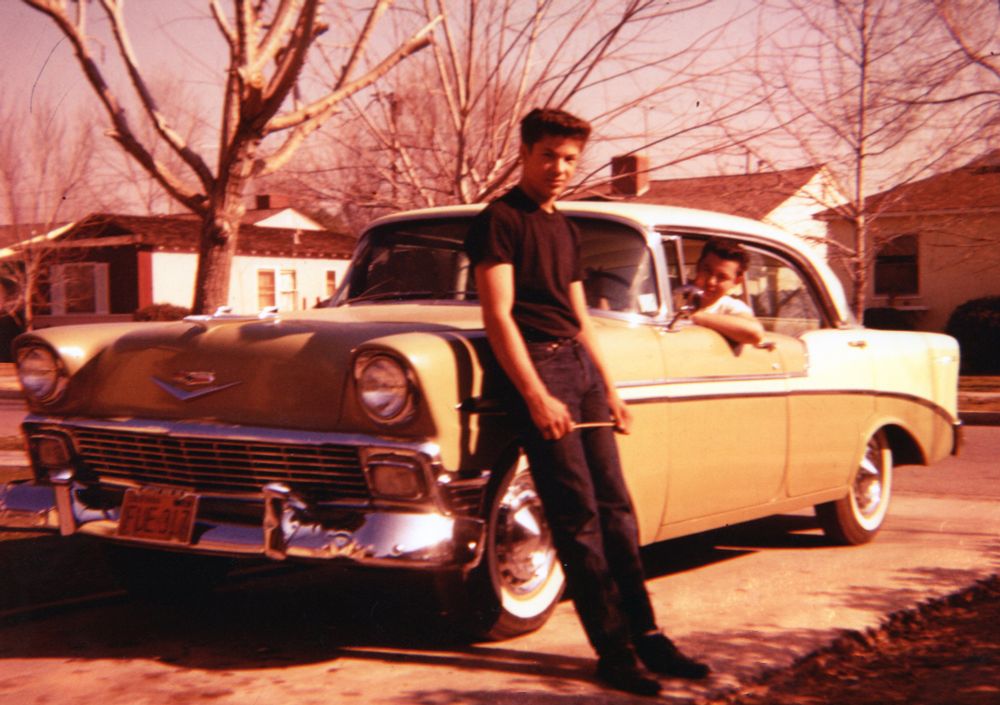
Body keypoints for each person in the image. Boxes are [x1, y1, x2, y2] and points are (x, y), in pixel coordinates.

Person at [465, 107, 710, 697]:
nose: (558, 168)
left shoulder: (566, 228)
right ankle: (614, 651)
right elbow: (498, 318)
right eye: (548, 155)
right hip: (539, 369)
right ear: (525, 153)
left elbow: (583, 318)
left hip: (580, 367)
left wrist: (613, 390)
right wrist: (536, 396)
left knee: (618, 510)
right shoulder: (499, 220)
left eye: (570, 159)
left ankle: (648, 635)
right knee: (578, 518)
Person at [688, 237, 765, 345]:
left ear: (736, 281)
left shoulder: (730, 307)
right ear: (698, 266)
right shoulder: (674, 295)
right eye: (707, 270)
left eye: (722, 277)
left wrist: (697, 316)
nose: (711, 282)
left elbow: (754, 332)